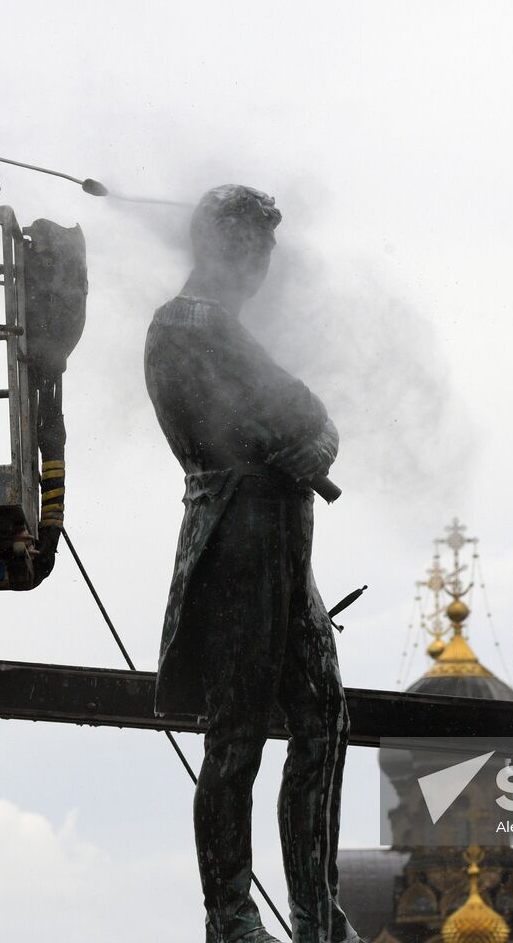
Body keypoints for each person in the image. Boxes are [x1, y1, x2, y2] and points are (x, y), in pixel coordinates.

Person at [145, 185, 361, 943]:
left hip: (281, 542)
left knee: (322, 716)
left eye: (268, 250)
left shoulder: (221, 327)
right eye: (253, 247)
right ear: (216, 245)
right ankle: (231, 917)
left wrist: (313, 438)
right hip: (236, 537)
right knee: (235, 735)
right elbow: (286, 412)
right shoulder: (190, 324)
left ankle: (314, 914)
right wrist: (305, 436)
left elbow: (313, 422)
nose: (262, 264)